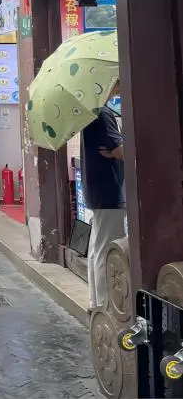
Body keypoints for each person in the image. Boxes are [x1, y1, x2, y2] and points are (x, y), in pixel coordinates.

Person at [80, 97, 126, 312]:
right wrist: (121, 149)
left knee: (97, 248)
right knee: (107, 248)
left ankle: (96, 302)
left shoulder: (90, 111)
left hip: (98, 189)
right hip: (109, 189)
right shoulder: (102, 113)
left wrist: (116, 150)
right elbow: (121, 150)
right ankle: (105, 306)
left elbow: (115, 149)